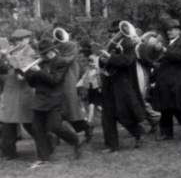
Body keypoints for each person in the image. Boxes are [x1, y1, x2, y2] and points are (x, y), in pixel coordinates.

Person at [25, 39, 83, 169]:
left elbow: (54, 80)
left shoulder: (60, 62)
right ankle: (43, 158)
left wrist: (39, 71)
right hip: (40, 100)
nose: (42, 56)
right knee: (37, 129)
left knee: (54, 127)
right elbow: (33, 84)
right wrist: (29, 74)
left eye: (44, 53)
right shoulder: (42, 62)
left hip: (54, 99)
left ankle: (75, 140)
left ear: (51, 51)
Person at [99, 20, 146, 153]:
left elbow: (127, 61)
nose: (113, 35)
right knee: (107, 114)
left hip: (123, 83)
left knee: (122, 113)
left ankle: (139, 133)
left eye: (115, 32)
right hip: (109, 82)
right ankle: (112, 145)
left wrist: (110, 58)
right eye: (112, 32)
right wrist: (102, 61)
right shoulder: (111, 44)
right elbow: (103, 64)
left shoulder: (128, 43)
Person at [152, 19, 181, 141]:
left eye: (172, 29)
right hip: (164, 80)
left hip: (177, 80)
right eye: (168, 30)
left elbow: (178, 56)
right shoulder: (167, 44)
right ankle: (166, 133)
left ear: (178, 31)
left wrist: (164, 50)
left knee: (176, 107)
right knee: (165, 107)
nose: (169, 32)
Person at [0, 29, 36, 160]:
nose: (17, 42)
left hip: (23, 90)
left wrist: (9, 58)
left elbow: (22, 69)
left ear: (28, 40)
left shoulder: (31, 53)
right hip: (10, 90)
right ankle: (9, 152)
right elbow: (3, 70)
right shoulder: (14, 52)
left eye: (20, 40)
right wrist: (2, 60)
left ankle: (49, 141)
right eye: (16, 40)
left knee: (29, 123)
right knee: (7, 121)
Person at [54, 27, 93, 143]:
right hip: (58, 79)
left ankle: (86, 127)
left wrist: (53, 56)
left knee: (70, 107)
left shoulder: (70, 45)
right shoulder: (56, 46)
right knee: (58, 107)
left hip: (67, 78)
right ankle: (56, 134)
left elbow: (67, 60)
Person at [76, 54, 102, 127]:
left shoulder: (98, 71)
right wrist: (77, 85)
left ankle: (89, 122)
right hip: (90, 89)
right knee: (97, 106)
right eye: (90, 62)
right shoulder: (88, 71)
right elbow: (83, 79)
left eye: (93, 62)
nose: (92, 64)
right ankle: (109, 115)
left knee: (92, 105)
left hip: (97, 89)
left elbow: (101, 80)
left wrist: (101, 87)